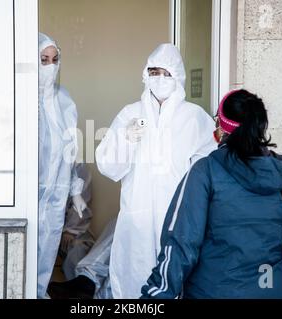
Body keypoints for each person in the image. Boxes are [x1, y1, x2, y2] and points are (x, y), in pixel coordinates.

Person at [141, 89, 282, 299]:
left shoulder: (205, 171)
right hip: (274, 290)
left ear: (222, 125)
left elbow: (181, 243)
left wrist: (152, 298)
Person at [95, 43, 217, 299]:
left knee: (175, 281)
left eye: (166, 73)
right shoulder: (130, 114)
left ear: (178, 77)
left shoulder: (195, 118)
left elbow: (211, 169)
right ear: (145, 74)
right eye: (154, 72)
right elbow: (108, 166)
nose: (160, 79)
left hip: (178, 220)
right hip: (137, 220)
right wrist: (125, 140)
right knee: (134, 282)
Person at [37, 33, 87, 298]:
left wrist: (76, 190)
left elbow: (72, 148)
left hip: (56, 192)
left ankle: (39, 292)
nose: (51, 66)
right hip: (29, 192)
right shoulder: (22, 101)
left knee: (48, 245)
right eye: (43, 60)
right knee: (28, 246)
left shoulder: (64, 98)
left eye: (55, 60)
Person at [58, 163, 95, 281]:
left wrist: (71, 230)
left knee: (78, 249)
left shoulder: (78, 168)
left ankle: (75, 287)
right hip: (48, 228)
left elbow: (80, 205)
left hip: (69, 229)